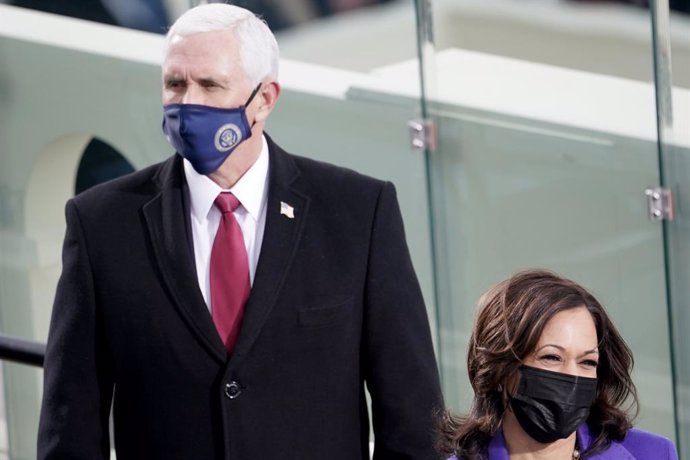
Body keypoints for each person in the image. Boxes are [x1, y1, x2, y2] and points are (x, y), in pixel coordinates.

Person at [37, 4, 442, 459]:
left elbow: (412, 415)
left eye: (210, 84)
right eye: (175, 84)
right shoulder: (102, 224)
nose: (188, 102)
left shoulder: (357, 213)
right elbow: (70, 422)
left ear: (265, 99)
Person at [438, 269, 678, 460]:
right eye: (551, 357)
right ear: (501, 369)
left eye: (587, 361)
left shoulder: (655, 453)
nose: (572, 377)